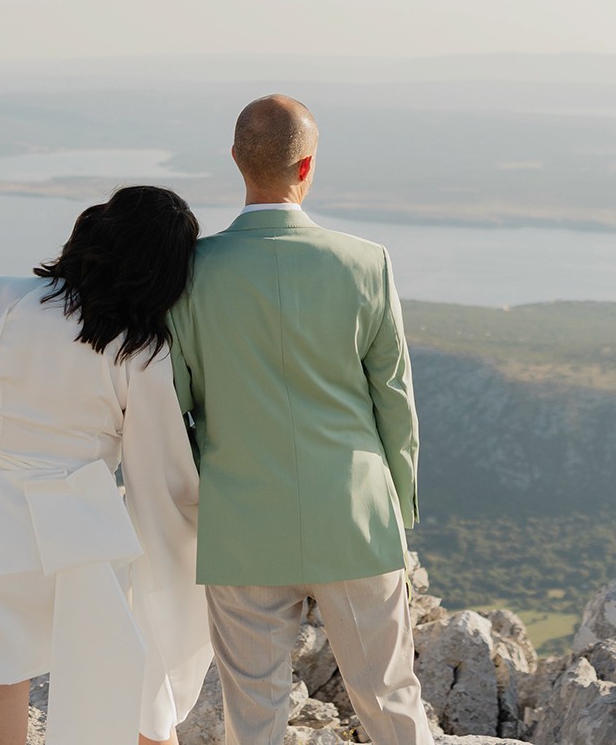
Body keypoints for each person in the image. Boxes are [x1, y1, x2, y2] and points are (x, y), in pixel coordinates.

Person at [0, 185, 213, 745]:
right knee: (133, 699)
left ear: (95, 231)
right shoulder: (142, 350)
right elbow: (163, 482)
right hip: (85, 539)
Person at [168, 96, 433, 745]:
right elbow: (394, 398)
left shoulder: (189, 271)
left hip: (241, 520)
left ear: (236, 159)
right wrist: (398, 508)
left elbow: (174, 405)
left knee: (251, 717)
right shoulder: (366, 262)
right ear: (307, 165)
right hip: (354, 513)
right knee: (390, 701)